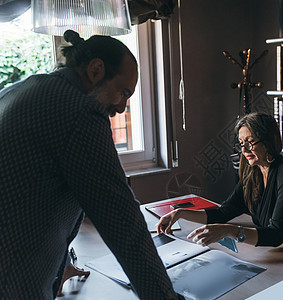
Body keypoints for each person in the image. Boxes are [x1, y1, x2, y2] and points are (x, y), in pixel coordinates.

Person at [0, 30, 179, 299]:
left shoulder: (18, 90)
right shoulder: (78, 111)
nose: (122, 107)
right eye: (122, 92)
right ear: (96, 69)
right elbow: (122, 222)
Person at [157, 112, 283, 247]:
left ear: (268, 141)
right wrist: (179, 213)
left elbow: (276, 234)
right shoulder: (252, 171)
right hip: (277, 248)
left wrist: (229, 230)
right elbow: (223, 213)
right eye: (241, 143)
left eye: (249, 142)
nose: (243, 149)